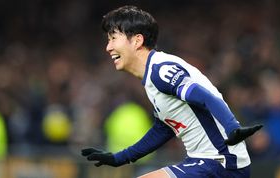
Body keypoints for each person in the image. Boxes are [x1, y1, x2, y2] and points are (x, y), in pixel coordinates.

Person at [81, 5, 262, 178]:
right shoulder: (152, 76)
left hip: (220, 163)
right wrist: (117, 158)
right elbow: (163, 128)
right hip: (207, 162)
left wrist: (232, 128)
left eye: (113, 38)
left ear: (137, 40)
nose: (108, 47)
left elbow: (205, 97)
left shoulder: (161, 70)